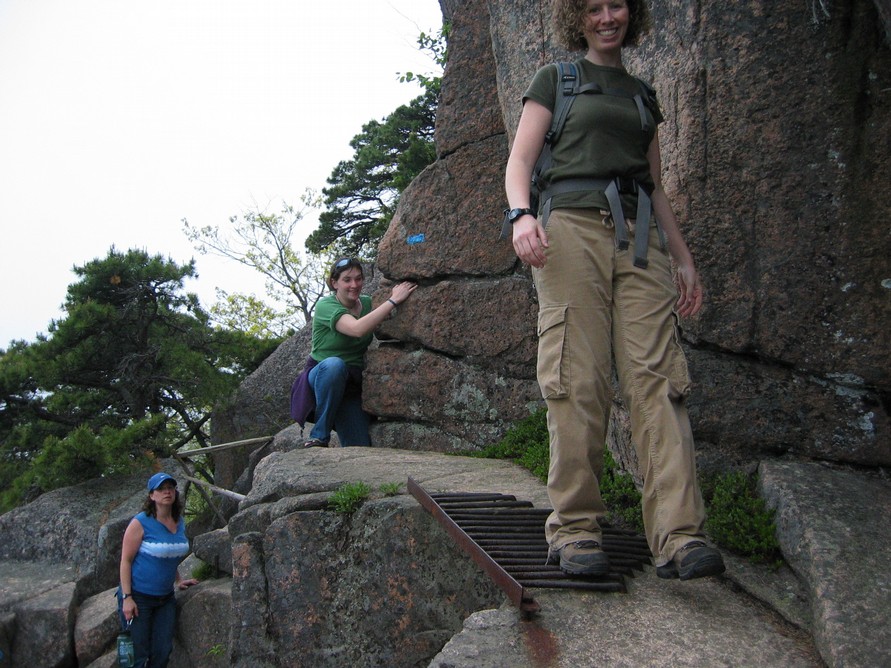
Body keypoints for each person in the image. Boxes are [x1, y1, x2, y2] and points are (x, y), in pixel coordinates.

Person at [504, 0, 725, 580]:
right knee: (578, 377)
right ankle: (575, 529)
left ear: (633, 14)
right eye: (596, 7)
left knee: (659, 380)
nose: (609, 16)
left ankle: (679, 535)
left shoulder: (642, 95)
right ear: (579, 17)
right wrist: (520, 215)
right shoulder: (556, 79)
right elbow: (520, 158)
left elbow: (653, 184)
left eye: (618, 5)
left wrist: (683, 257)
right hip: (568, 230)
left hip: (640, 237)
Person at [290, 257, 417, 448]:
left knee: (359, 446)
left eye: (358, 279)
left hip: (350, 386)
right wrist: (392, 300)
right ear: (334, 283)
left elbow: (386, 317)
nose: (354, 285)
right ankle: (319, 436)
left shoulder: (367, 304)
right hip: (322, 378)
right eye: (347, 280)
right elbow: (356, 329)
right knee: (335, 365)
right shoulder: (326, 306)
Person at [118, 472, 198, 667]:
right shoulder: (140, 522)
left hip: (165, 599)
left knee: (162, 652)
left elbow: (170, 555)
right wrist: (127, 598)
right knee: (137, 655)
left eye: (170, 488)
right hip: (139, 597)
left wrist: (178, 580)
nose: (167, 492)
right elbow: (126, 561)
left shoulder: (179, 522)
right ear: (152, 496)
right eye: (161, 489)